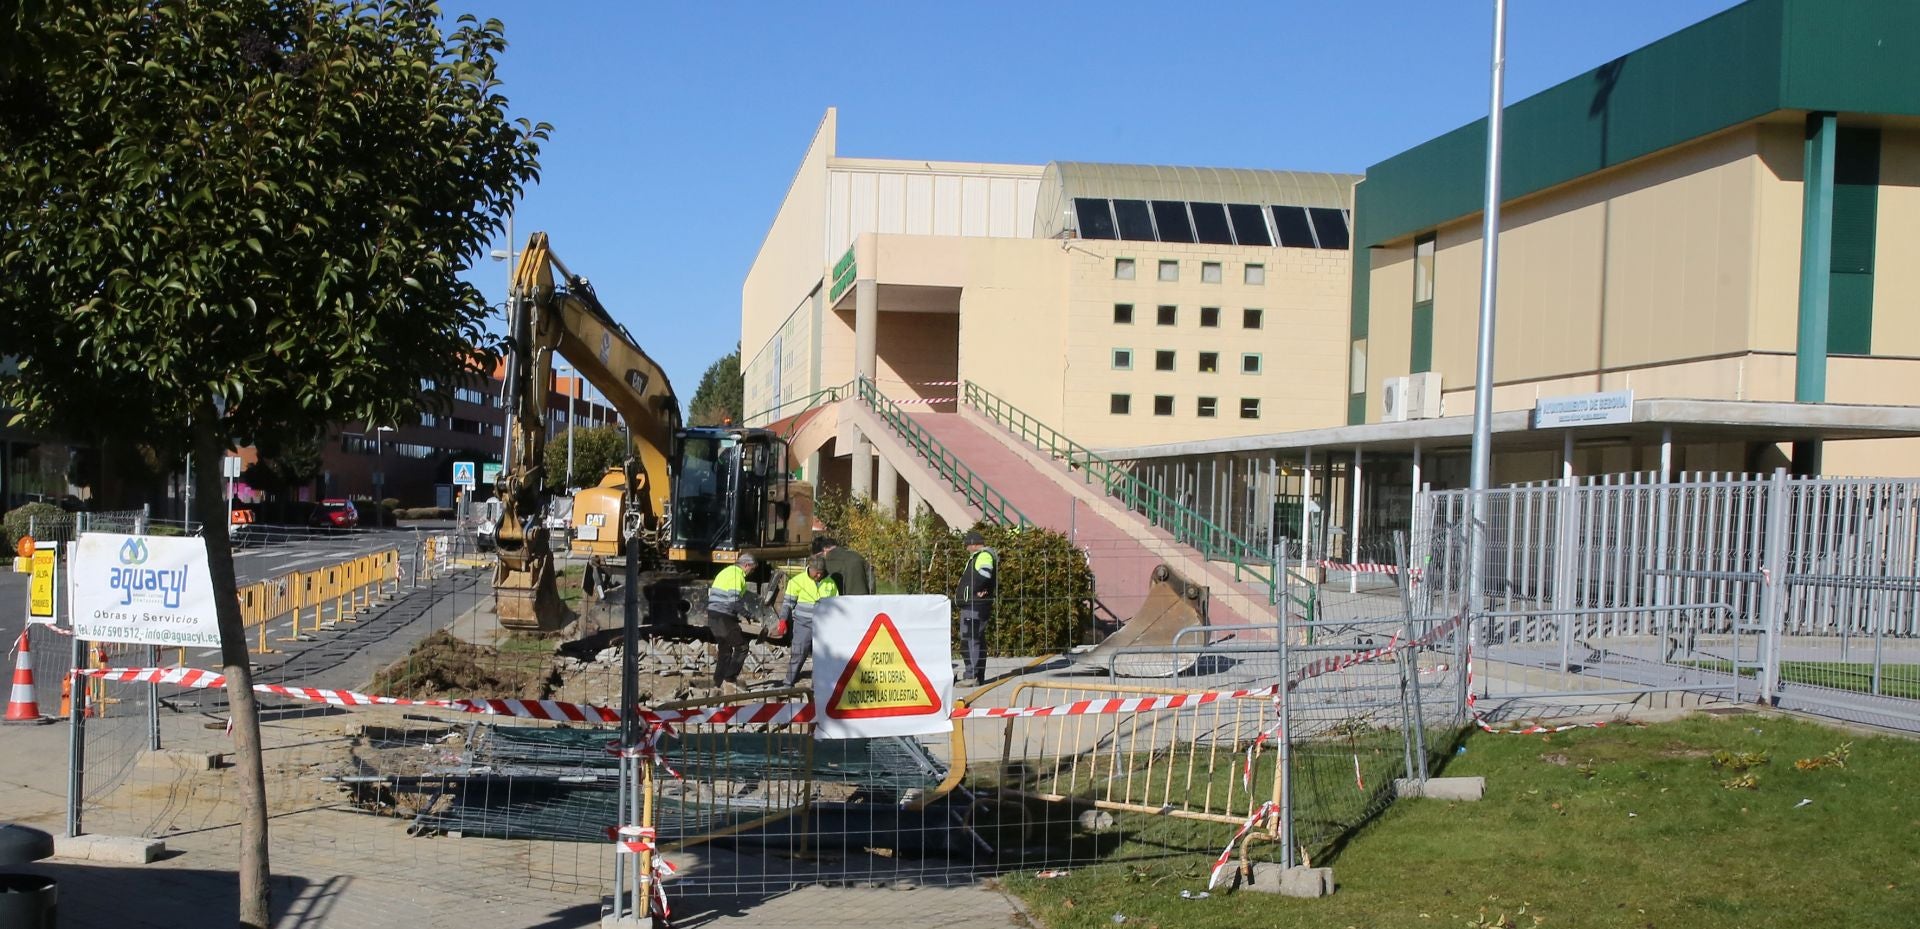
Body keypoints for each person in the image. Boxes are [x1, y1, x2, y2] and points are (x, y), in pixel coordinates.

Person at [779, 556, 839, 688]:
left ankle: (816, 686)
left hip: (823, 626)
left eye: (821, 572)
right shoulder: (797, 581)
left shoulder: (830, 583)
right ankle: (788, 683)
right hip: (802, 624)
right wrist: (783, 619)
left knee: (821, 656)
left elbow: (836, 603)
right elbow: (787, 603)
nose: (819, 575)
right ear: (809, 569)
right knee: (799, 653)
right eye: (816, 572)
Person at [705, 553, 756, 694]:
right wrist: (748, 614)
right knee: (742, 647)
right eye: (752, 569)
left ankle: (718, 683)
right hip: (723, 616)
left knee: (725, 650)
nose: (751, 572)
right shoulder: (737, 575)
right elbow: (733, 601)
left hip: (713, 615)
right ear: (746, 565)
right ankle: (730, 679)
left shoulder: (725, 572)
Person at [956, 530, 998, 686]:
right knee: (976, 638)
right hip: (975, 603)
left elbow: (985, 574)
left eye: (967, 545)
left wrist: (976, 589)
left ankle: (971, 675)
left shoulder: (983, 556)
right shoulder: (978, 557)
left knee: (969, 638)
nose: (966, 548)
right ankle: (977, 676)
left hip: (975, 604)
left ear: (973, 544)